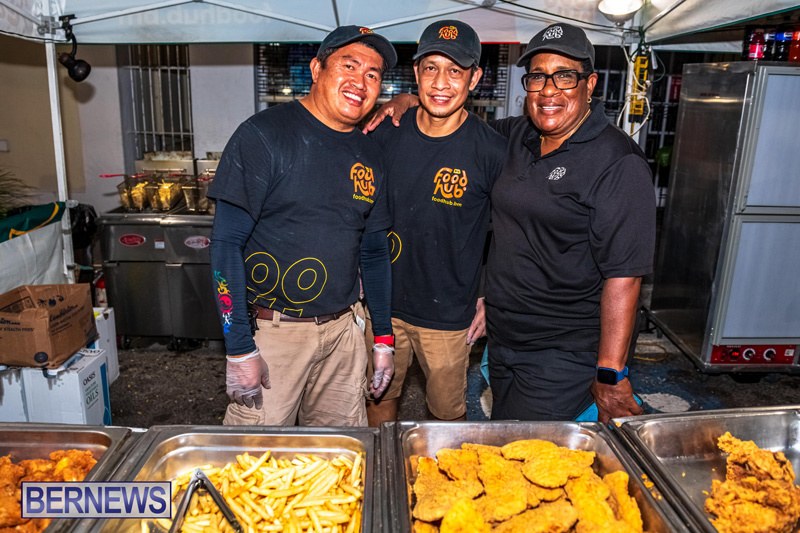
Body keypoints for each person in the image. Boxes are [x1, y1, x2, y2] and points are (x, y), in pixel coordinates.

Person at [364, 22, 655, 423]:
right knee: (502, 431)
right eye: (538, 77)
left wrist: (610, 372)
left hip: (562, 348)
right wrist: (407, 99)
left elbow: (625, 276)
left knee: (526, 451)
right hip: (505, 337)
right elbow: (452, 123)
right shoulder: (518, 135)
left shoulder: (617, 161)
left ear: (591, 84)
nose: (549, 90)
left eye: (565, 76)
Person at [208, 26, 398, 427]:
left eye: (373, 74)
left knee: (342, 462)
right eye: (349, 65)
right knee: (253, 466)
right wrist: (239, 348)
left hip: (345, 334)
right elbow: (225, 244)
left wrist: (383, 339)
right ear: (316, 68)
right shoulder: (263, 136)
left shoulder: (370, 154)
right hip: (274, 334)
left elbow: (375, 252)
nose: (360, 82)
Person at [364, 20, 507, 426]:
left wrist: (486, 294)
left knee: (446, 417)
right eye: (431, 68)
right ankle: (381, 479)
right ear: (416, 73)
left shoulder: (492, 151)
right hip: (382, 306)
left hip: (449, 313)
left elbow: (505, 235)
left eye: (455, 71)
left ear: (475, 78)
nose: (440, 82)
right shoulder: (384, 133)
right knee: (379, 400)